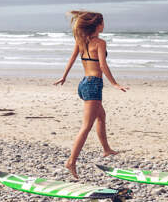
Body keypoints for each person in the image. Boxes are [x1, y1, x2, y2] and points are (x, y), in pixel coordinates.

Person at [54, 11, 128, 178]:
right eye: (103, 22)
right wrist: (114, 83)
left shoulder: (81, 41)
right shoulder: (100, 43)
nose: (104, 25)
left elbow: (72, 59)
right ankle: (71, 161)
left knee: (101, 116)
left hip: (84, 84)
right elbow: (102, 65)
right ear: (97, 25)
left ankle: (107, 150)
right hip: (93, 85)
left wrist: (64, 76)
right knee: (86, 127)